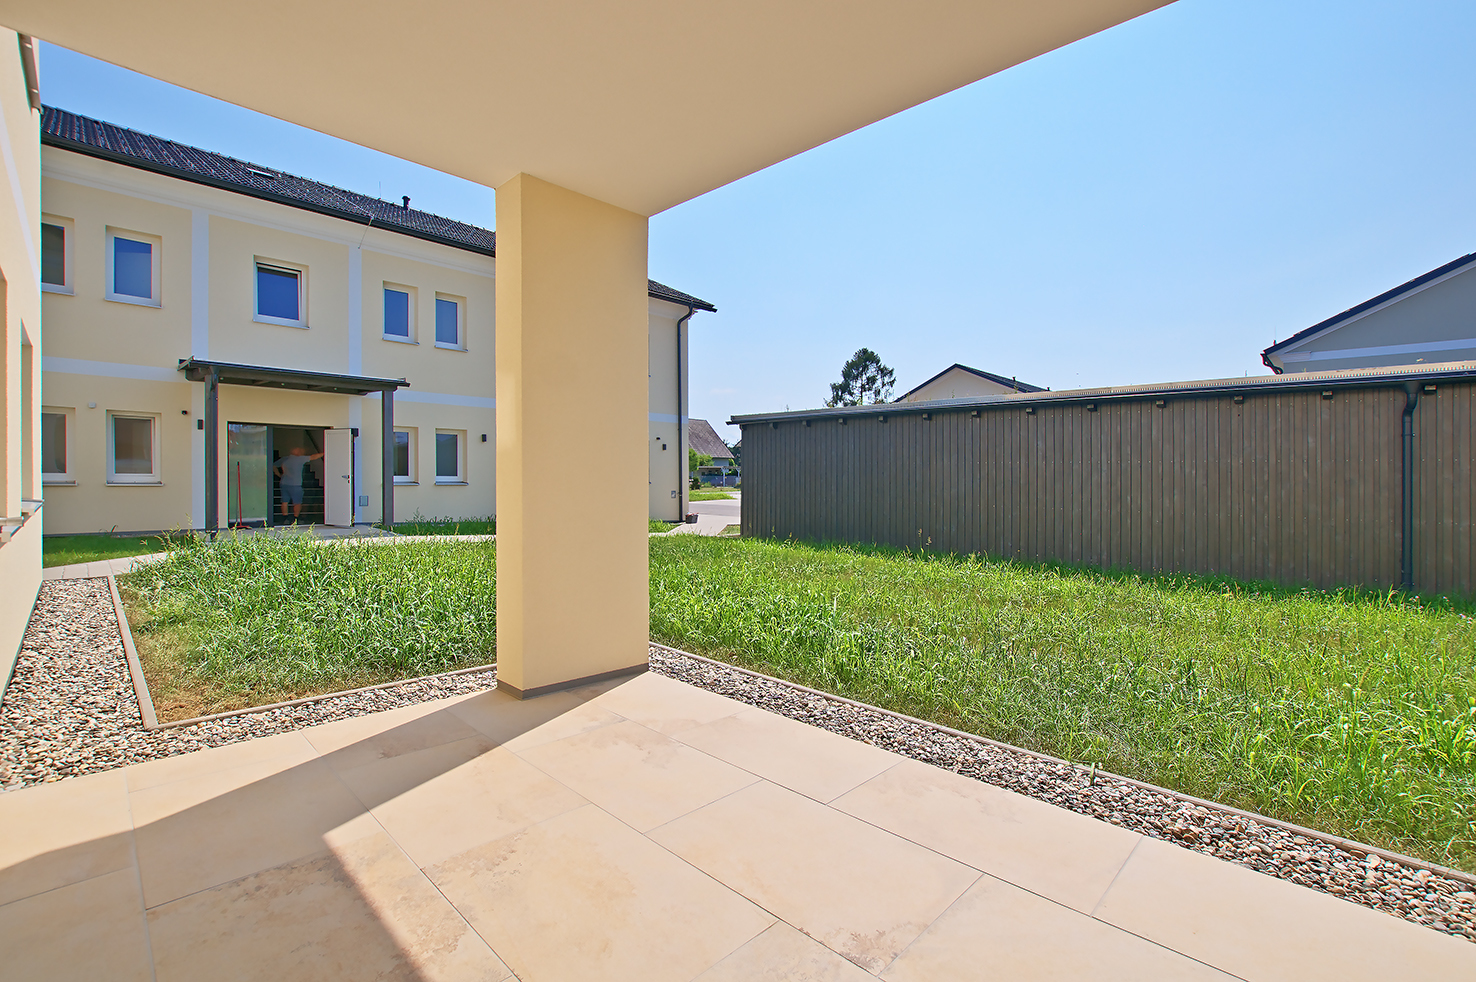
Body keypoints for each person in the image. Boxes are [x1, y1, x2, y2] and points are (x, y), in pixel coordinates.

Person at [274, 446, 323, 524]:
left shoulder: (285, 459)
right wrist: (325, 453)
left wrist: (279, 475)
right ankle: (295, 518)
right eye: (299, 450)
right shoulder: (300, 459)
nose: (301, 451)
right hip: (295, 484)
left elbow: (273, 466)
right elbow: (313, 457)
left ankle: (285, 518)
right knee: (297, 502)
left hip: (284, 483)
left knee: (284, 502)